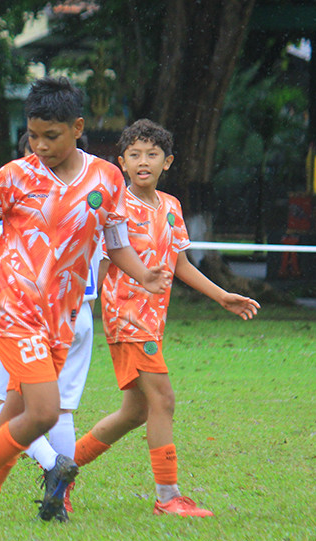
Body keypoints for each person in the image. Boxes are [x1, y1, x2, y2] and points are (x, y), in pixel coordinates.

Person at [0, 78, 172, 541]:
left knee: (12, 420)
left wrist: (143, 274)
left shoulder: (107, 179)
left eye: (51, 136)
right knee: (44, 412)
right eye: (33, 136)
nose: (41, 146)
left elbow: (115, 244)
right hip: (12, 309)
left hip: (63, 318)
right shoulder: (14, 176)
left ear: (78, 128)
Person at [71, 119, 259, 517]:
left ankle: (62, 469)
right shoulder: (116, 206)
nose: (144, 162)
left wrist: (222, 295)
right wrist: (80, 310)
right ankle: (168, 495)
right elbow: (102, 265)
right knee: (164, 400)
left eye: (152, 154)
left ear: (167, 162)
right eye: (135, 154)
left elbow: (180, 263)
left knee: (135, 412)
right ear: (121, 162)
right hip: (126, 318)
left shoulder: (171, 207)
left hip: (153, 322)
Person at [0, 133, 100, 524]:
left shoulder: (31, 194)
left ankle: (41, 467)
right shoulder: (100, 188)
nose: (38, 150)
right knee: (58, 410)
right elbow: (112, 255)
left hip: (29, 317)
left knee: (6, 412)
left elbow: (15, 255)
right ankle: (60, 500)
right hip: (80, 313)